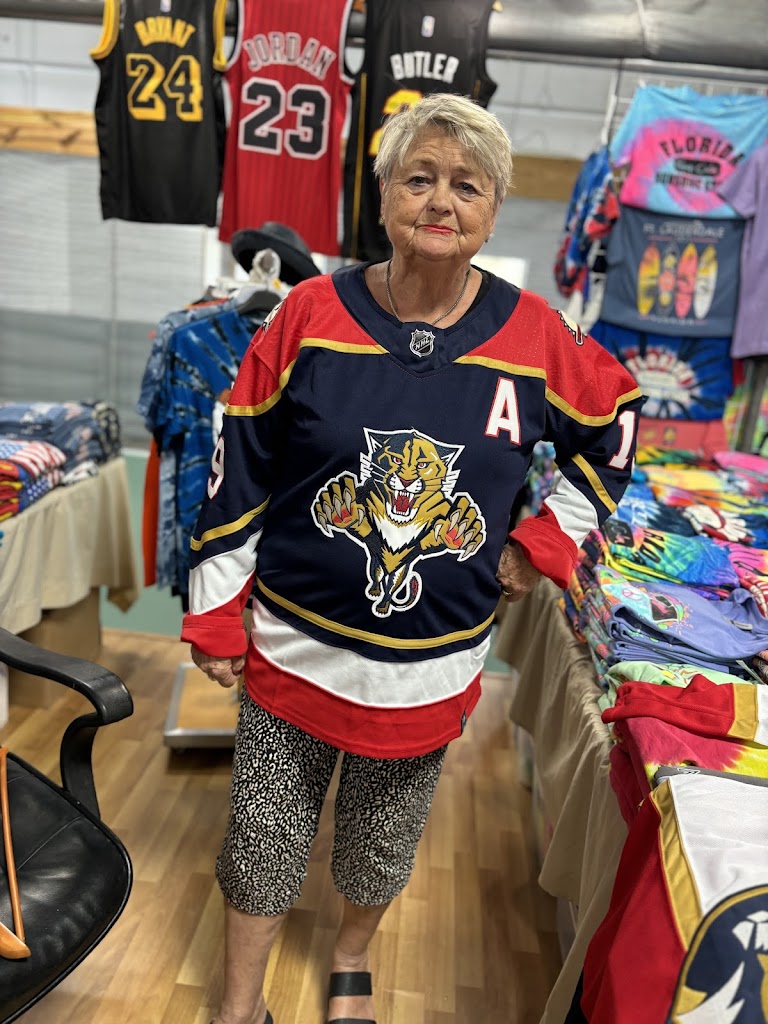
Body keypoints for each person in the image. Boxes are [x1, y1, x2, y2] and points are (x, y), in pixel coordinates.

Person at [181, 92, 644, 1024]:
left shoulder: (537, 337)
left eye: (467, 186)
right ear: (385, 192)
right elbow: (241, 467)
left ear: (493, 210)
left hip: (431, 668)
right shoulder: (308, 313)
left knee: (380, 843)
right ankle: (237, 1005)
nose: (441, 201)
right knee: (262, 840)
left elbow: (617, 426)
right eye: (419, 178)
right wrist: (215, 611)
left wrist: (544, 541)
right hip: (292, 648)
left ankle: (351, 954)